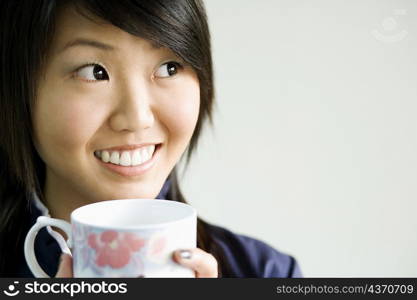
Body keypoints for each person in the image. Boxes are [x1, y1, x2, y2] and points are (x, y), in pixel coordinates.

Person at [0, 0, 302, 278]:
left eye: (168, 67)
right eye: (94, 72)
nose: (138, 118)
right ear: (19, 93)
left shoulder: (266, 272)